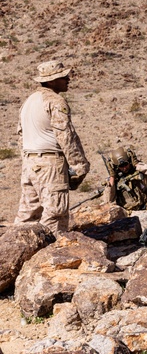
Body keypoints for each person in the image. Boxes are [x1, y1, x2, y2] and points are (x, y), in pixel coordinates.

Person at [16, 60, 90, 234]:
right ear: (50, 81)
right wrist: (80, 165)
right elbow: (66, 136)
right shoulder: (55, 101)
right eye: (62, 76)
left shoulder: (28, 102)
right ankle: (51, 256)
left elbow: (20, 135)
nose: (68, 79)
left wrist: (28, 160)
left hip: (29, 163)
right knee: (55, 215)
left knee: (27, 215)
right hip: (50, 165)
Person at [101, 146, 147, 211]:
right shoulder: (114, 181)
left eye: (126, 164)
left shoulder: (141, 170)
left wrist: (137, 165)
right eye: (121, 166)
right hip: (131, 214)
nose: (124, 168)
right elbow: (107, 201)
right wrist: (112, 177)